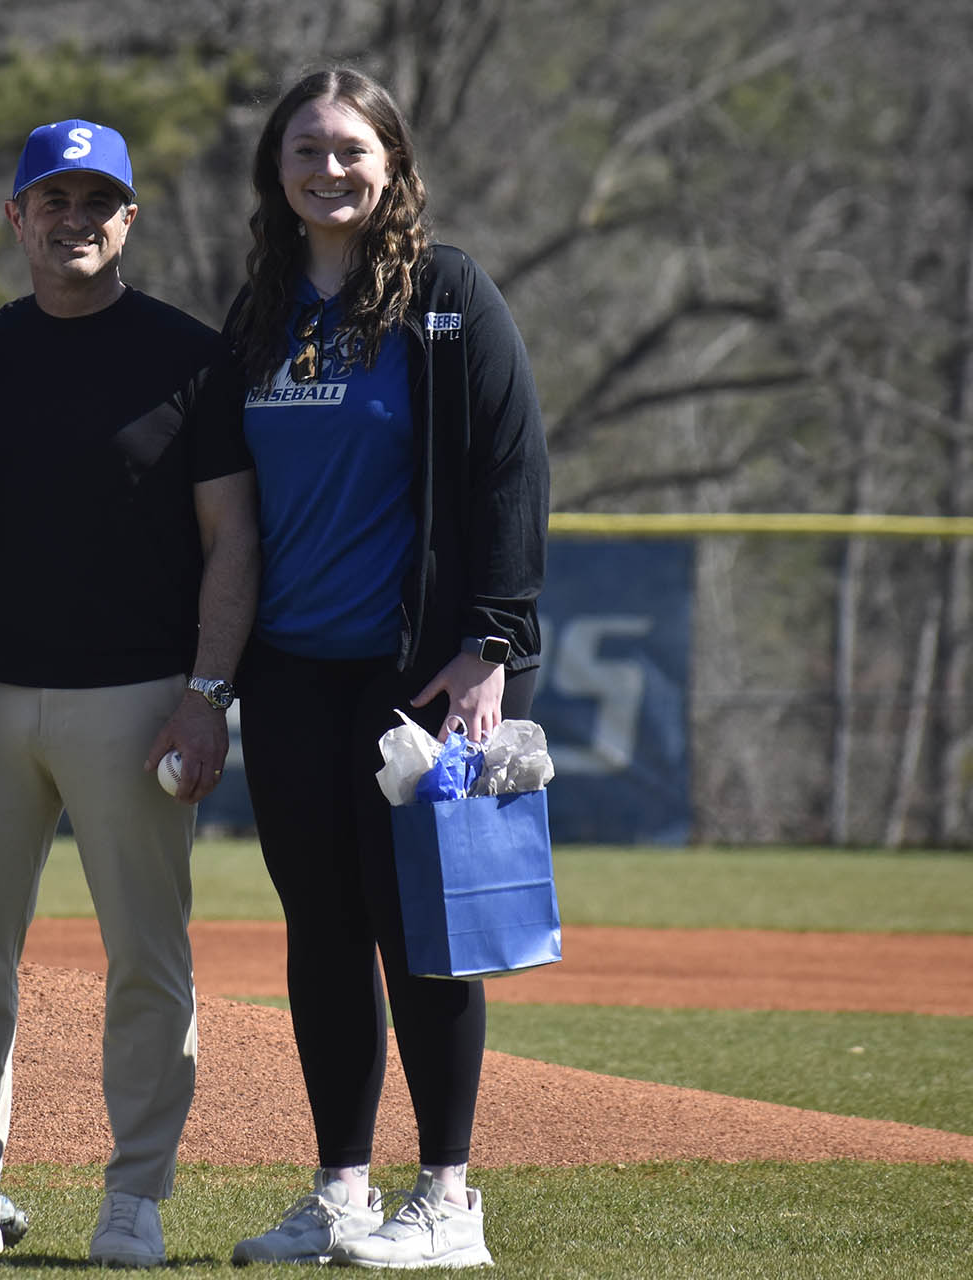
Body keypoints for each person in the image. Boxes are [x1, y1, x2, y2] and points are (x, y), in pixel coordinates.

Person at [0, 119, 258, 1268]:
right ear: (15, 217)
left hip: (137, 697)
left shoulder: (187, 353)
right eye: (50, 200)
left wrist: (207, 692)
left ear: (128, 221)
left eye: (96, 200)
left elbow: (231, 539)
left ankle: (136, 1197)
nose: (73, 220)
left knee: (149, 956)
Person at [223, 68, 548, 1271]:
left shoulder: (447, 292)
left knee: (425, 931)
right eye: (304, 149)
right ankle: (341, 1194)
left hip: (414, 678)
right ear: (278, 172)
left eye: (351, 149)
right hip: (291, 674)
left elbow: (512, 470)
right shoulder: (259, 309)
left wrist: (489, 645)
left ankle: (450, 1199)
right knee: (321, 931)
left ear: (393, 162)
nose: (328, 168)